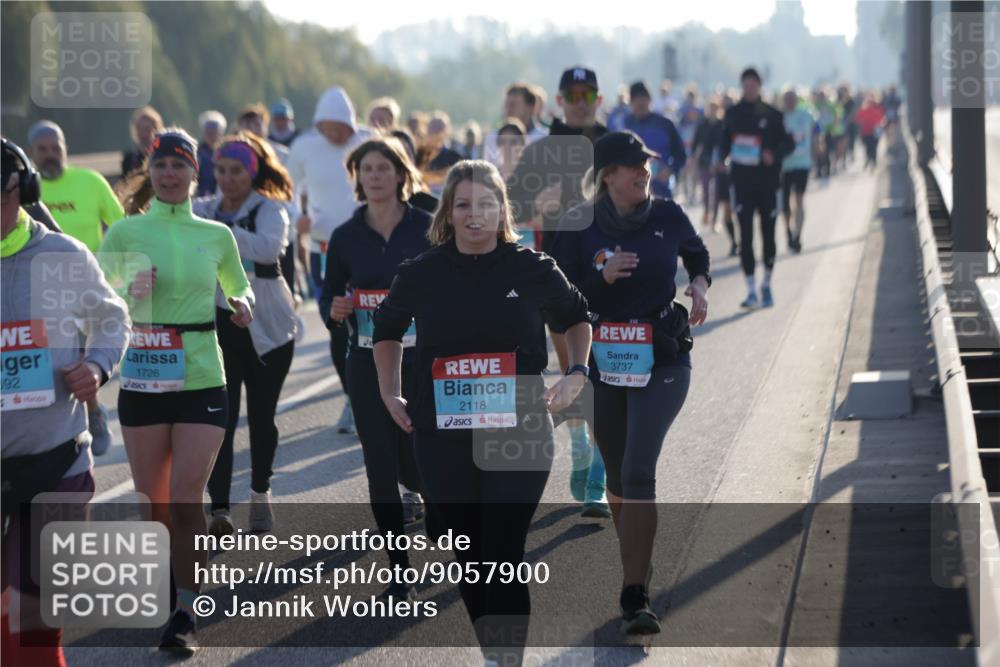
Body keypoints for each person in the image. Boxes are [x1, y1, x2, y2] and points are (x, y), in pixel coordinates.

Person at [372, 160, 592, 665]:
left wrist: (576, 373)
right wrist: (389, 392)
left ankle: (505, 658)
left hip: (520, 428)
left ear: (502, 210)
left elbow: (577, 316)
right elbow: (386, 331)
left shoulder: (532, 268)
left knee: (504, 547)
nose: (475, 215)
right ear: (448, 212)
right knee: (470, 552)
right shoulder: (421, 272)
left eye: (487, 204)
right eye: (464, 205)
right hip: (443, 434)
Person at [98, 129, 254, 655]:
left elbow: (238, 282)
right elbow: (96, 298)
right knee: (154, 505)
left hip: (202, 374)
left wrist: (243, 303)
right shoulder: (125, 232)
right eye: (161, 165)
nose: (169, 174)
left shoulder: (216, 233)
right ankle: (170, 589)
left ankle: (186, 611)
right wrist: (127, 291)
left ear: (194, 172)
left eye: (179, 165)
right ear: (150, 170)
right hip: (144, 375)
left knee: (187, 497)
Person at [551, 130, 710, 638]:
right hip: (602, 363)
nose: (644, 172)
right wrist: (600, 281)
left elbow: (698, 254)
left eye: (646, 165)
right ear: (606, 175)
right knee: (618, 477)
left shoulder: (667, 214)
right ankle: (637, 561)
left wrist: (699, 285)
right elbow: (558, 300)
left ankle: (634, 590)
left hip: (662, 358)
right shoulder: (576, 225)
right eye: (633, 166)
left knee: (639, 469)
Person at [1, 137, 130, 667]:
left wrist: (96, 366)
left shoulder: (63, 255)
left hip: (57, 459)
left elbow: (113, 320)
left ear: (22, 190)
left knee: (35, 619)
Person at [321, 137, 431, 594]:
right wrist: (335, 309)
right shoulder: (345, 237)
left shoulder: (426, 226)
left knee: (417, 461)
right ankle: (400, 569)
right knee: (379, 462)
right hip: (366, 360)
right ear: (357, 178)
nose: (375, 176)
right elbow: (328, 295)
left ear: (401, 174)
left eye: (383, 168)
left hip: (421, 359)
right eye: (366, 169)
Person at [506, 65, 611, 517]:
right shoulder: (542, 150)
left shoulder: (613, 145)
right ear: (560, 100)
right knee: (575, 371)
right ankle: (581, 444)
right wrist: (538, 202)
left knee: (607, 376)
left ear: (598, 99)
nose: (580, 102)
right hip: (560, 276)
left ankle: (599, 479)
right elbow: (510, 204)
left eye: (588, 94)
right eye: (573, 95)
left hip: (608, 270)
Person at [192, 133, 297, 536]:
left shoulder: (271, 209)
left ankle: (260, 491)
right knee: (221, 418)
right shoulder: (201, 208)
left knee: (261, 418)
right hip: (219, 324)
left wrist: (220, 233)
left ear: (251, 173)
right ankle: (219, 507)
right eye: (221, 170)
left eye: (236, 170)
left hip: (268, 329)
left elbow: (268, 249)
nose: (228, 178)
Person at [28, 120, 126, 457]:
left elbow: (121, 229)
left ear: (65, 149)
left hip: (86, 288)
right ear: (32, 153)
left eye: (55, 148)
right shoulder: (23, 190)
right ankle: (61, 422)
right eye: (43, 150)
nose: (50, 155)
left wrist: (116, 276)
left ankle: (92, 411)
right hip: (37, 291)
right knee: (49, 363)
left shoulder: (91, 182)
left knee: (81, 357)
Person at [287, 86, 371, 433]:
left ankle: (377, 396)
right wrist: (297, 218)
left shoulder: (368, 140)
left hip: (367, 246)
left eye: (343, 127)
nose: (338, 134)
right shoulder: (304, 147)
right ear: (320, 124)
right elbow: (285, 189)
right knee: (336, 325)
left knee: (369, 325)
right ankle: (352, 397)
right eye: (331, 127)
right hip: (323, 248)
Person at [720, 67, 794, 309]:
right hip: (742, 184)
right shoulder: (732, 114)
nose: (750, 88)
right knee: (746, 237)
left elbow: (789, 144)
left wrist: (774, 154)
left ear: (759, 86)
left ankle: (767, 284)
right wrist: (721, 159)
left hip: (768, 184)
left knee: (769, 234)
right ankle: (751, 289)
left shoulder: (773, 114)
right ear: (742, 86)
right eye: (746, 84)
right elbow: (723, 146)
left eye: (753, 84)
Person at [623, 81, 687, 200]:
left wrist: (670, 170)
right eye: (636, 102)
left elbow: (680, 155)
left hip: (661, 190)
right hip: (632, 191)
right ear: (630, 103)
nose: (640, 105)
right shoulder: (625, 125)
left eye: (643, 100)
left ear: (649, 100)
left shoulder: (665, 124)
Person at [780, 88, 816, 253]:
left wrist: (817, 147)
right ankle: (788, 231)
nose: (790, 102)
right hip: (784, 166)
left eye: (792, 99)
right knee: (785, 203)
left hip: (802, 164)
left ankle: (798, 235)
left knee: (799, 200)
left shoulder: (806, 115)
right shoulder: (779, 117)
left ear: (797, 100)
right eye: (787, 99)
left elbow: (816, 131)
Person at [483, 83, 548, 166]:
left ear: (530, 107)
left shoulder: (545, 139)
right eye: (506, 105)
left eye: (513, 105)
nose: (508, 110)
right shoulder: (492, 137)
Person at [691, 98, 726, 233]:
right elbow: (696, 142)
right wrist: (693, 156)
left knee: (716, 192)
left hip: (718, 162)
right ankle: (706, 211)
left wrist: (722, 160)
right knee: (705, 190)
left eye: (715, 108)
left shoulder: (722, 124)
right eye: (711, 108)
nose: (712, 111)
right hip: (704, 161)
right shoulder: (703, 124)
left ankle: (715, 220)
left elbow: (725, 143)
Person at [417, 112, 463, 197]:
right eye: (433, 127)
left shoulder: (455, 157)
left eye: (440, 127)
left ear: (447, 131)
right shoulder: (419, 155)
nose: (436, 131)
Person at [121, 105, 164, 177]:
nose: (144, 133)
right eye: (140, 128)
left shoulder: (163, 155)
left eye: (147, 129)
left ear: (156, 129)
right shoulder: (129, 159)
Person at [195, 110, 226, 197]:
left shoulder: (228, 154)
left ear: (221, 133)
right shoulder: (196, 153)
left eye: (214, 131)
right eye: (208, 131)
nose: (211, 135)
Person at [855, 92, 885, 170]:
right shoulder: (864, 110)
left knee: (873, 147)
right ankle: (870, 160)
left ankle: (873, 161)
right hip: (866, 132)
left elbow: (882, 119)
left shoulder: (878, 109)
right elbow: (857, 119)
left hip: (874, 132)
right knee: (868, 147)